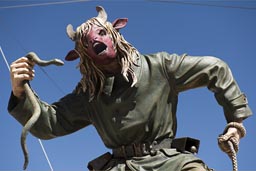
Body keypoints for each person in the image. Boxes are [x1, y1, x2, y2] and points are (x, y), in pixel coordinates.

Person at [8, 6, 252, 171]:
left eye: (102, 33)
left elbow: (216, 69)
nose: (96, 40)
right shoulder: (89, 95)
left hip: (171, 162)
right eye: (87, 43)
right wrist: (21, 92)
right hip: (120, 166)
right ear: (82, 56)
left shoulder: (160, 67)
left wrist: (235, 122)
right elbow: (51, 122)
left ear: (116, 32)